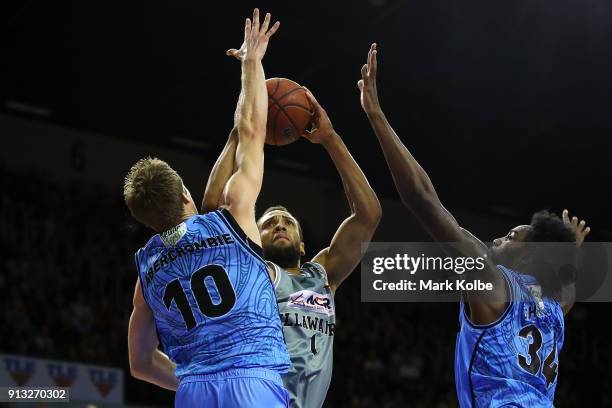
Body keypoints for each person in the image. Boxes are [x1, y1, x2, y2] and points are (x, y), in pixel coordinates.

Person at [358, 43, 591, 407]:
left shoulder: (492, 283)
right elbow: (568, 294)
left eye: (512, 236)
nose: (498, 237)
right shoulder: (550, 308)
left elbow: (422, 199)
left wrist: (376, 116)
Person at [125, 9, 291, 407]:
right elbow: (251, 130)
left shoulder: (147, 271)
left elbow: (141, 363)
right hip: (253, 382)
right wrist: (252, 63)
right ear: (185, 193)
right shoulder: (232, 217)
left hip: (194, 391)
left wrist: (190, 381)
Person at [202, 90, 382, 407]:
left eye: (287, 222)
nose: (280, 225)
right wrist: (237, 134)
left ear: (302, 244)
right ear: (254, 238)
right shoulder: (250, 271)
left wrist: (330, 139)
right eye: (269, 223)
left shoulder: (323, 273)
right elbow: (213, 209)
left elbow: (368, 215)